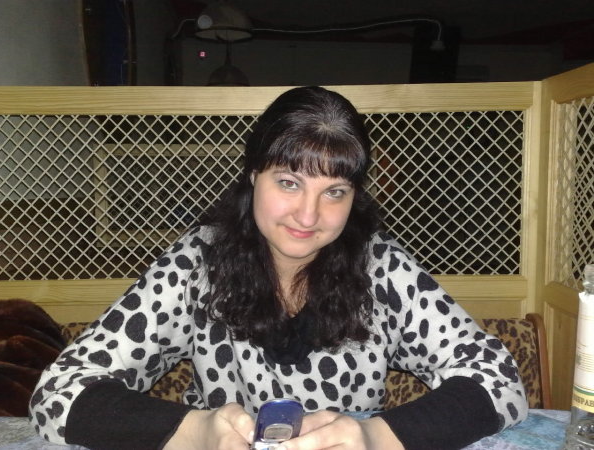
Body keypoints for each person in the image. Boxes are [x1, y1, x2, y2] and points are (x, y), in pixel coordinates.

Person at [29, 86, 527, 450]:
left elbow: (498, 378)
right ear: (253, 175)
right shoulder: (197, 262)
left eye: (335, 192)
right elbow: (58, 393)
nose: (308, 216)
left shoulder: (381, 267)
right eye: (289, 183)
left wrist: (376, 438)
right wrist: (194, 432)